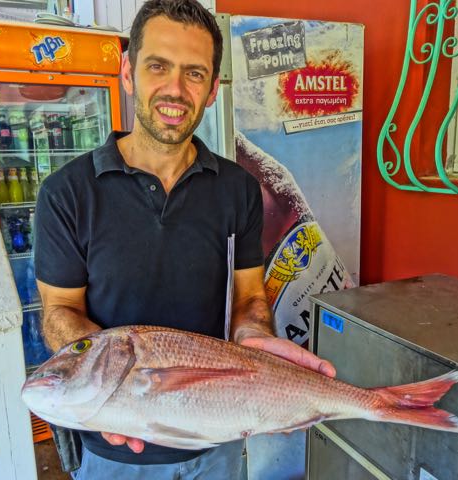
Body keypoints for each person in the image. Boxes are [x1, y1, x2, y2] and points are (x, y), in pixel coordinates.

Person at [34, 1, 336, 478]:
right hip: (116, 450)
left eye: (194, 74)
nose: (175, 89)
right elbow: (59, 313)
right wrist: (113, 384)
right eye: (159, 66)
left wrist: (254, 335)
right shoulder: (67, 193)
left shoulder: (239, 188)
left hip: (213, 439)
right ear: (129, 72)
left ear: (213, 89)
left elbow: (251, 297)